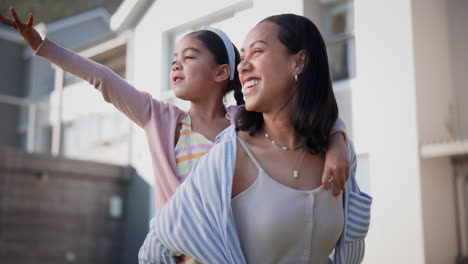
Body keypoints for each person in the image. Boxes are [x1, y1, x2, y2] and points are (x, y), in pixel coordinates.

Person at [1, 9, 353, 263]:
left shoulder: (244, 125)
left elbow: (303, 112)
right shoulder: (162, 119)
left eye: (189, 57)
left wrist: (337, 141)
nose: (176, 65)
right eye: (174, 58)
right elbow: (104, 80)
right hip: (181, 252)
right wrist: (44, 47)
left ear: (221, 72)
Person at [138, 14, 372, 264]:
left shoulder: (340, 151)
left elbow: (351, 244)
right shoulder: (230, 155)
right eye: (242, 56)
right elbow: (157, 247)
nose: (242, 66)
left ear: (299, 61)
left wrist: (336, 138)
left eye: (257, 51)